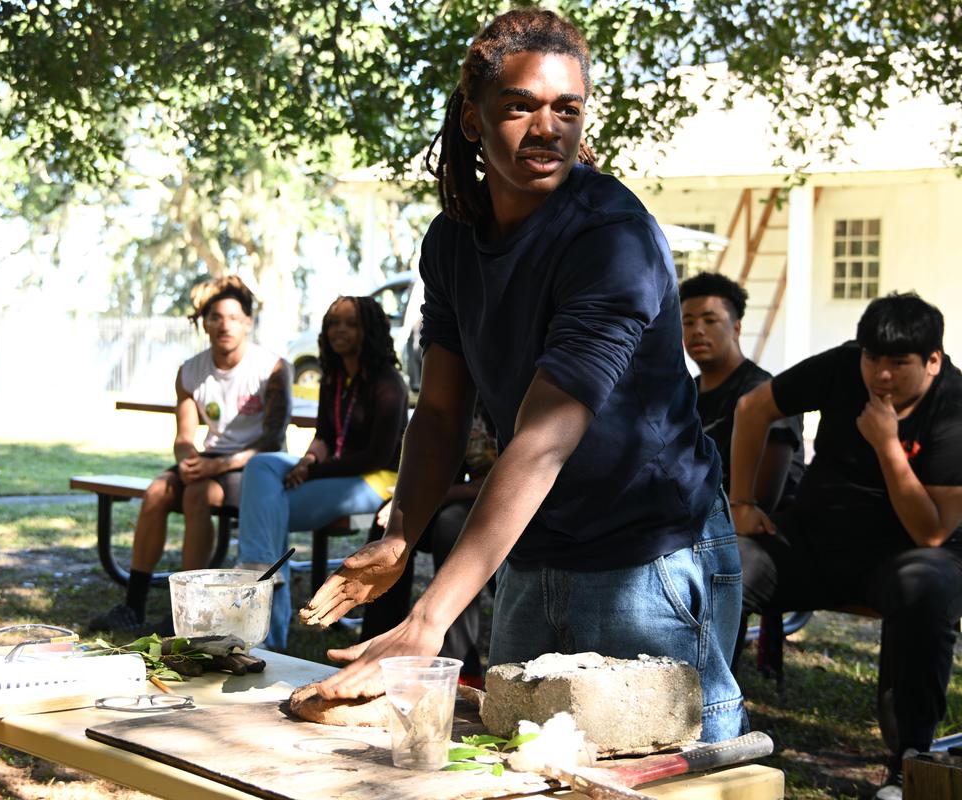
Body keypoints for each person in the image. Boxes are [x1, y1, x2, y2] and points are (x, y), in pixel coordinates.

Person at [300, 8, 746, 744]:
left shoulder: (611, 237)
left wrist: (428, 619)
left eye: (567, 108)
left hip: (648, 556)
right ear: (473, 120)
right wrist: (400, 537)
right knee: (521, 756)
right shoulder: (452, 241)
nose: (547, 129)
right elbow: (440, 412)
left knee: (660, 773)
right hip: (528, 547)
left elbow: (542, 440)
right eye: (520, 107)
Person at [730, 292, 962, 799]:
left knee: (928, 587)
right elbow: (753, 407)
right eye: (872, 358)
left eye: (898, 363)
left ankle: (908, 763)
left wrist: (887, 444)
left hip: (906, 555)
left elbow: (931, 532)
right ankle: (710, 725)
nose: (881, 375)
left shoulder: (954, 406)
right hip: (816, 539)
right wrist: (742, 502)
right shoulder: (841, 367)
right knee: (727, 565)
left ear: (932, 360)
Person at [88, 276, 291, 633]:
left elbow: (272, 442)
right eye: (216, 317)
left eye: (233, 317)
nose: (224, 325)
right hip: (211, 461)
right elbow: (184, 436)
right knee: (156, 492)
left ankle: (186, 612)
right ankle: (133, 605)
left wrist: (218, 465)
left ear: (248, 322)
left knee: (198, 494)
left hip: (256, 466)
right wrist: (187, 459)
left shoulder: (272, 367)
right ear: (204, 323)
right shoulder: (191, 371)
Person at [237, 295, 409, 650]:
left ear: (369, 331)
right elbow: (325, 436)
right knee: (261, 466)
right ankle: (265, 599)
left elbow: (376, 456)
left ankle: (266, 628)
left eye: (350, 324)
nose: (339, 331)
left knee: (269, 509)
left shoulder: (388, 383)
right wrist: (308, 461)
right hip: (334, 472)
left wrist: (316, 472)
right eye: (333, 323)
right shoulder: (334, 377)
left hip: (376, 481)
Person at [679, 271, 805, 679]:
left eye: (710, 320)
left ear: (736, 327)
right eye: (687, 321)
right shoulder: (683, 394)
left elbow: (763, 498)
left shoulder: (762, 392)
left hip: (761, 534)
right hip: (691, 523)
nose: (697, 330)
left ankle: (709, 688)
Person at [359, 402, 498, 687]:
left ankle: (460, 667)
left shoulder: (500, 403)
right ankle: (376, 651)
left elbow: (496, 480)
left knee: (452, 527)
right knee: (387, 528)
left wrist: (438, 497)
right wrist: (402, 506)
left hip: (509, 505)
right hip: (464, 496)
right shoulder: (467, 398)